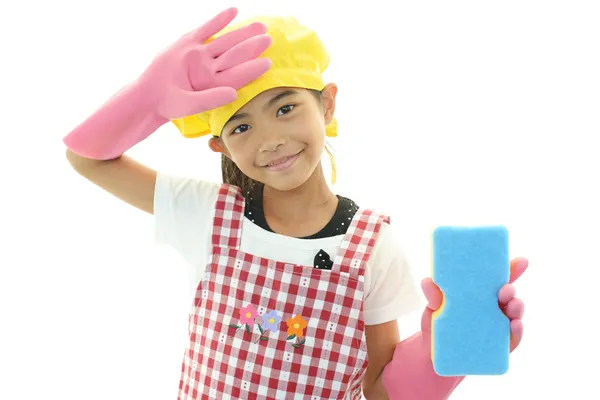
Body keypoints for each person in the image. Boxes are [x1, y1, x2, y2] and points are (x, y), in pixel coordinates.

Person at [62, 7, 528, 399]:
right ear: (220, 147)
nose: (270, 141)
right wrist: (147, 99)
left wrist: (440, 352)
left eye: (286, 109)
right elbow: (88, 160)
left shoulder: (372, 245)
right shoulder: (207, 214)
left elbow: (380, 391)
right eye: (241, 127)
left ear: (327, 105)